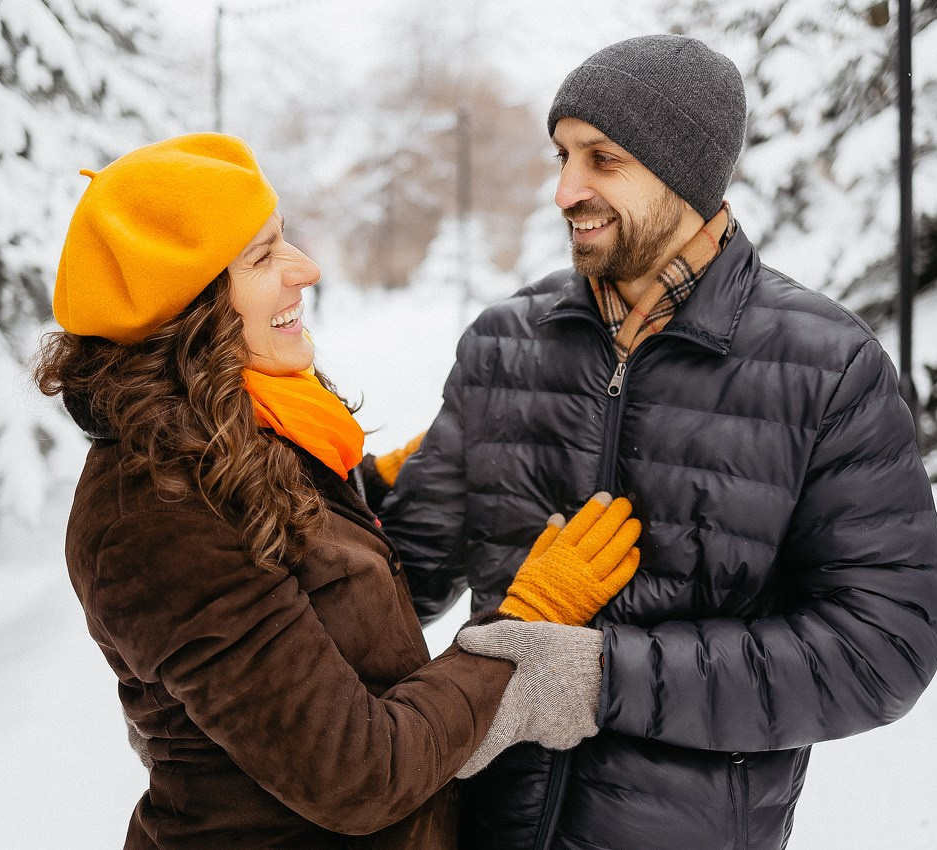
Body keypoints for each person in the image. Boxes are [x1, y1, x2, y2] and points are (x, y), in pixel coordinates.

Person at [381, 34, 937, 850]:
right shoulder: (505, 343)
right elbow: (396, 579)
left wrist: (602, 677)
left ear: (683, 170)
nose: (565, 189)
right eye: (562, 156)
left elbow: (880, 648)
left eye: (602, 159)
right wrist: (300, 483)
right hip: (481, 829)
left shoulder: (825, 367)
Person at [33, 133, 644, 849]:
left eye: (283, 239)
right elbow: (358, 774)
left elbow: (294, 557)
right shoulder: (155, 514)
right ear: (186, 311)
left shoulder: (239, 434)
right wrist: (520, 630)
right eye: (262, 256)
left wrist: (383, 482)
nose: (307, 269)